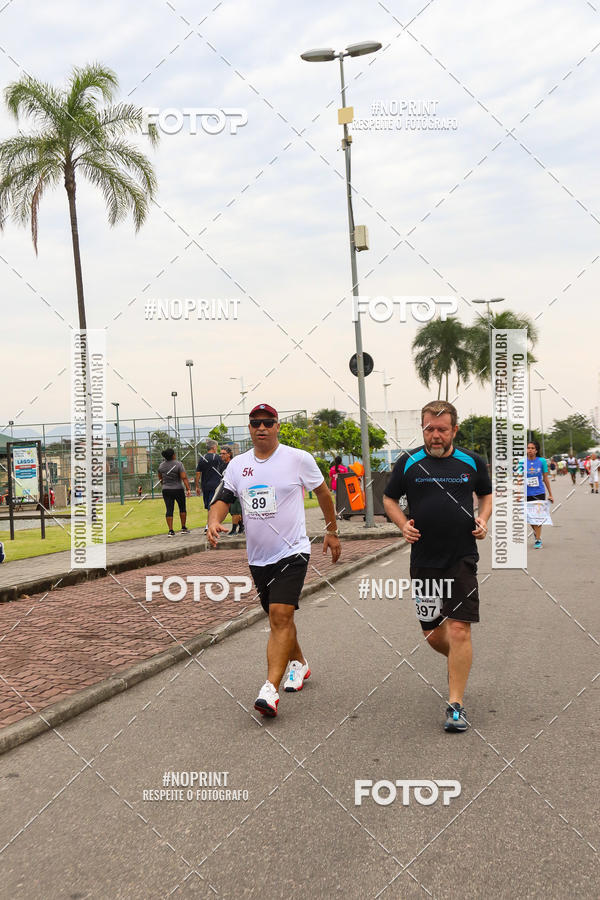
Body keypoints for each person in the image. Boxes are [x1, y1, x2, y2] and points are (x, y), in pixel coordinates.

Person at [207, 402, 341, 717]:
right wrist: (214, 520)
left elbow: (323, 493)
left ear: (277, 426)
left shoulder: (298, 459)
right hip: (258, 557)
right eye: (256, 423)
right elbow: (224, 499)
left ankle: (269, 690)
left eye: (268, 422)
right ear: (250, 428)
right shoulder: (238, 465)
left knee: (280, 616)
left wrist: (332, 531)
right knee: (279, 617)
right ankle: (301, 664)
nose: (262, 427)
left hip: (293, 550)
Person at [383, 400, 492, 733]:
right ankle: (459, 660)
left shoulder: (472, 461)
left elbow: (486, 495)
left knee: (459, 629)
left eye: (442, 429)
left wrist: (483, 520)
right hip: (425, 560)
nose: (435, 435)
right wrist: (402, 524)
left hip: (461, 556)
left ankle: (455, 703)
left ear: (454, 429)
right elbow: (388, 498)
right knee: (431, 632)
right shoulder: (409, 462)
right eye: (429, 428)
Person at [526, 440, 554, 548]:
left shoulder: (542, 461)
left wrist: (550, 494)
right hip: (528, 493)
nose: (530, 450)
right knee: (530, 517)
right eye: (528, 448)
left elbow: (545, 478)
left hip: (539, 492)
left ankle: (538, 539)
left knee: (537, 516)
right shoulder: (522, 462)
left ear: (536, 450)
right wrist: (518, 493)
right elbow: (519, 478)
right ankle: (536, 533)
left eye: (532, 448)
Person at [157, 448, 191, 536]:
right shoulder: (179, 464)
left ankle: (171, 530)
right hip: (178, 489)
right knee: (182, 508)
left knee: (169, 509)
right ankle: (183, 527)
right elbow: (184, 477)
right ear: (173, 455)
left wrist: (164, 484)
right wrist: (188, 489)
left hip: (166, 490)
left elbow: (160, 477)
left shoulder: (161, 466)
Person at [196, 440, 224, 534]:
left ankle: (210, 525)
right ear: (214, 447)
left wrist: (197, 486)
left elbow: (198, 473)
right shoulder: (217, 458)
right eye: (216, 446)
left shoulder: (202, 458)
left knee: (209, 505)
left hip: (205, 486)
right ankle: (209, 526)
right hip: (215, 485)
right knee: (212, 506)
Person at [219, 447, 244, 535]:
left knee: (235, 510)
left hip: (235, 490)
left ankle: (234, 529)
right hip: (226, 490)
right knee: (230, 510)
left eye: (223, 453)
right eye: (220, 453)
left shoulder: (234, 464)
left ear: (229, 454)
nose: (221, 455)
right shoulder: (222, 465)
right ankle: (241, 526)